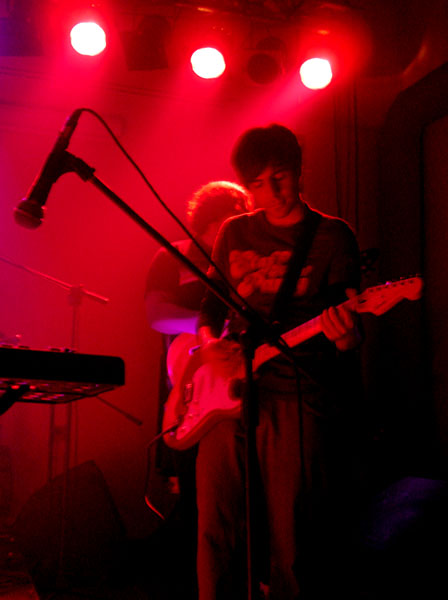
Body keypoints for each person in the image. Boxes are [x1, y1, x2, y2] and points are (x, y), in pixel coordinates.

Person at [194, 124, 364, 599]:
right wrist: (208, 344)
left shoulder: (332, 236)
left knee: (293, 535)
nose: (272, 192)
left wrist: (346, 336)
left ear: (299, 170)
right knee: (216, 527)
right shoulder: (233, 232)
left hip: (296, 391)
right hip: (229, 391)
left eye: (281, 177)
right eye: (257, 183)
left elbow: (350, 333)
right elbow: (209, 310)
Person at [144, 180, 252, 598]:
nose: (234, 229)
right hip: (192, 390)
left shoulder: (244, 258)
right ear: (204, 223)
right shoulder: (171, 255)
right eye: (225, 222)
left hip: (242, 386)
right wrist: (210, 328)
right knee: (195, 501)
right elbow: (157, 315)